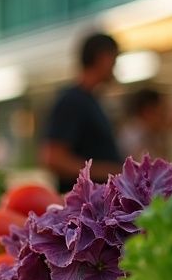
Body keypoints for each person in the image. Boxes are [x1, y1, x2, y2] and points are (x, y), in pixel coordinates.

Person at [41, 33, 122, 191]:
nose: (115, 66)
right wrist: (108, 171)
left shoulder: (91, 100)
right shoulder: (72, 101)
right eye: (114, 59)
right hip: (82, 208)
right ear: (102, 58)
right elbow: (53, 158)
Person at [118, 88, 165, 159]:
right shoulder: (134, 135)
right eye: (161, 111)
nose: (163, 116)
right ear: (149, 110)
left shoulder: (147, 132)